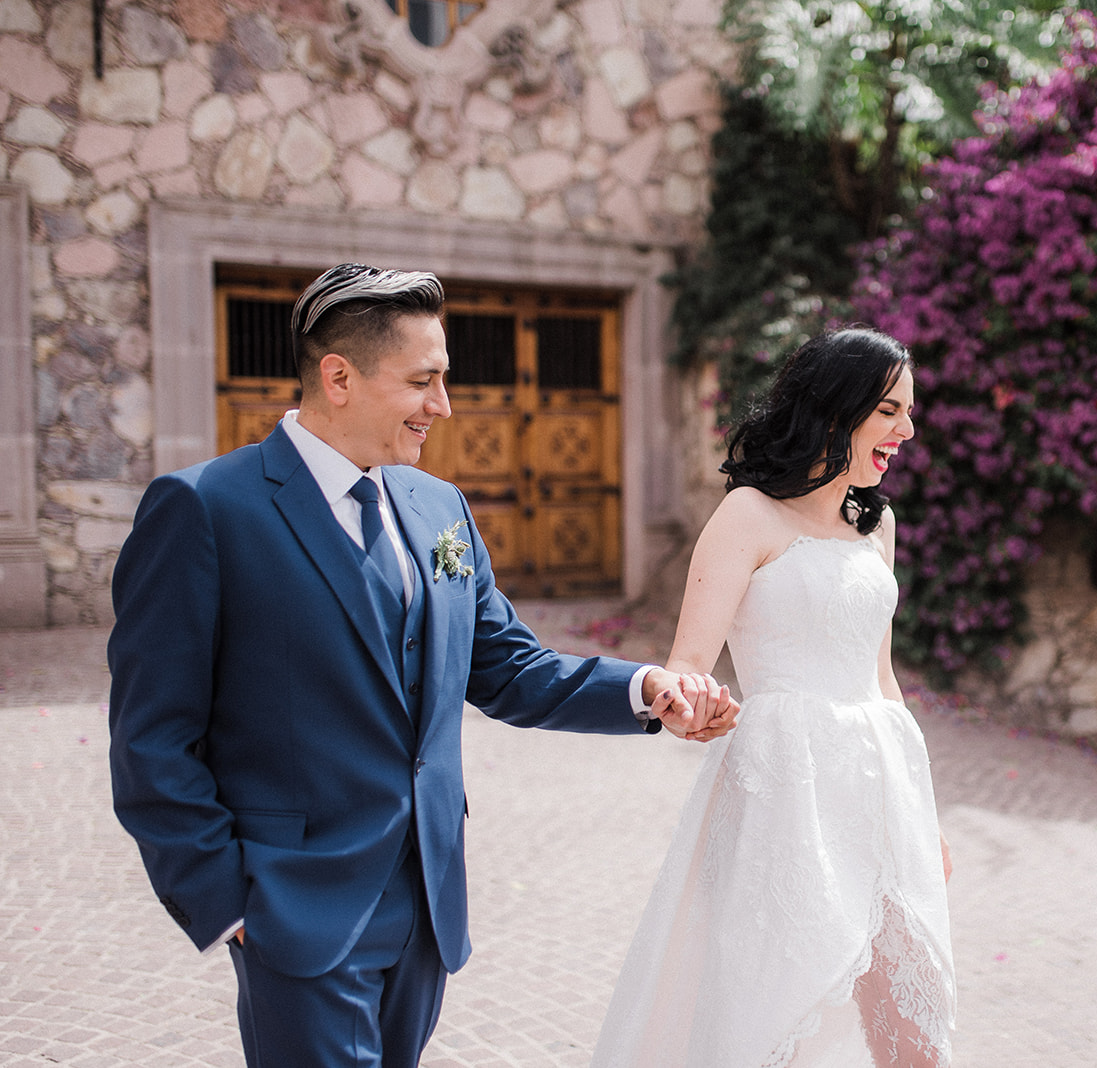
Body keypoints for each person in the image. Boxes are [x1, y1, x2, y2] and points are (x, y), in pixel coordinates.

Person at [106, 263, 738, 1068]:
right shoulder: (204, 510)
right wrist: (223, 903)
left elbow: (509, 669)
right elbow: (151, 738)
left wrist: (645, 689)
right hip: (293, 909)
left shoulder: (438, 509)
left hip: (428, 908)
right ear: (338, 377)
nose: (443, 406)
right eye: (423, 381)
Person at [590, 328, 956, 1068]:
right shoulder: (748, 516)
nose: (907, 430)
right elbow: (689, 664)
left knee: (912, 1027)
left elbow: (880, 677)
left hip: (881, 785)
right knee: (777, 1009)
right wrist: (698, 705)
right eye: (889, 410)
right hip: (783, 796)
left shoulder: (877, 525)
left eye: (907, 412)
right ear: (836, 407)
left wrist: (924, 814)